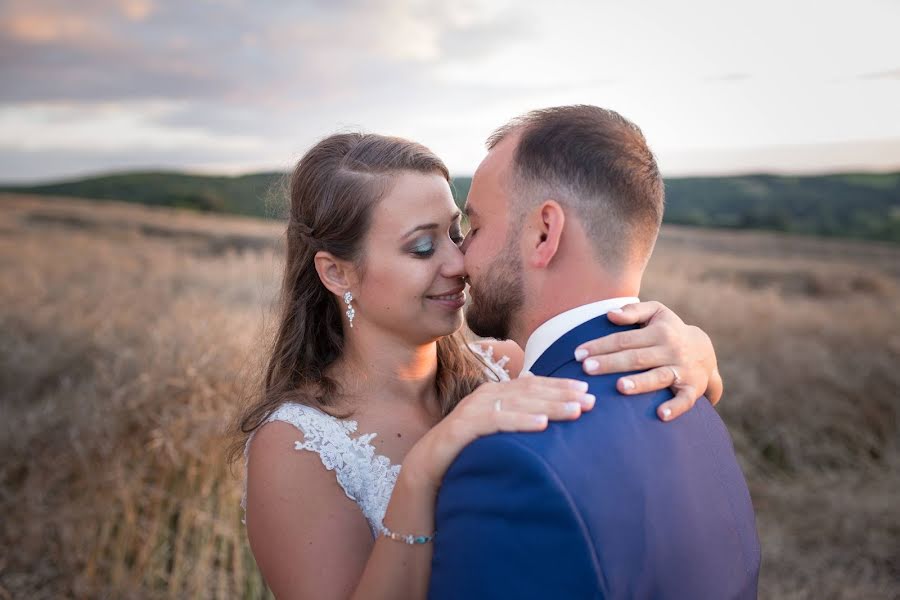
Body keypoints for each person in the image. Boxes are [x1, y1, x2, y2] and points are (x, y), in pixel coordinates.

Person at [234, 131, 726, 599]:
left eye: (457, 232)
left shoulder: (510, 367)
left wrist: (694, 347)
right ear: (337, 272)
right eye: (423, 246)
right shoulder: (298, 444)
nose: (458, 262)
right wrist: (422, 471)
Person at [428, 105, 760, 599]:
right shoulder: (696, 404)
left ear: (544, 233)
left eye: (473, 228)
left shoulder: (514, 462)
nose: (460, 258)